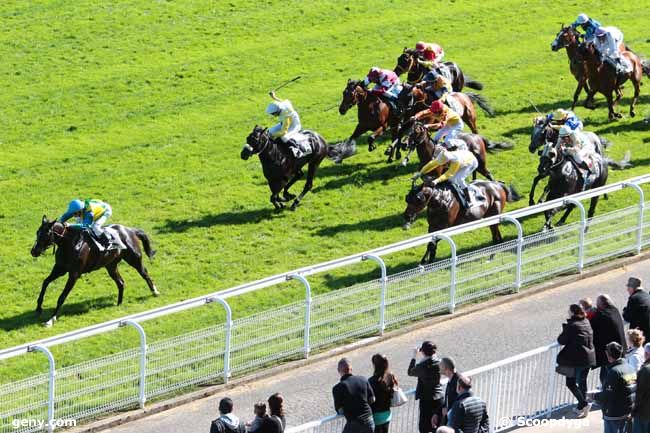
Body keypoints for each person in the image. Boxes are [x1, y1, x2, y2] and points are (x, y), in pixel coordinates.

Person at [556, 304, 596, 418]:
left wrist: (565, 329)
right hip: (589, 357)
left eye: (569, 311)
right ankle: (581, 406)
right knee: (582, 382)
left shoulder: (572, 325)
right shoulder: (586, 321)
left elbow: (561, 340)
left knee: (570, 383)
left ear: (573, 312)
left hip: (576, 359)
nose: (568, 312)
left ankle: (583, 404)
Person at [411, 145, 478, 210]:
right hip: (464, 157)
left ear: (448, 161)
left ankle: (469, 199)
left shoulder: (456, 162)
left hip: (471, 162)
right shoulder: (443, 156)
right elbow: (431, 164)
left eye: (444, 164)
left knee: (458, 179)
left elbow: (448, 174)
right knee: (452, 180)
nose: (443, 165)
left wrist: (436, 181)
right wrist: (420, 173)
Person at [590, 342, 637, 433]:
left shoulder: (614, 372)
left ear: (609, 355)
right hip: (628, 410)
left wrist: (593, 396)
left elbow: (607, 395)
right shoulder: (630, 368)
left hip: (614, 413)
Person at [590, 295, 628, 386]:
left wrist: (591, 313)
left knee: (605, 377)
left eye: (597, 304)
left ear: (601, 305)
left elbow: (590, 326)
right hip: (620, 350)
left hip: (610, 353)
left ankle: (606, 394)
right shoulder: (615, 310)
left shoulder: (601, 315)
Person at [408, 341, 445, 433]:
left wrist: (414, 356)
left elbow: (410, 372)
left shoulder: (422, 366)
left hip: (426, 399)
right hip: (439, 397)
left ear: (423, 352)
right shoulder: (439, 362)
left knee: (424, 427)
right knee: (438, 425)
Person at [333, 358, 375, 433]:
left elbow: (340, 410)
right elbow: (373, 399)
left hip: (354, 423)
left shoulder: (337, 388)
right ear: (351, 368)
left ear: (338, 370)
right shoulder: (363, 379)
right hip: (369, 421)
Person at [266, 91, 310, 159]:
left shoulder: (286, 115)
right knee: (269, 131)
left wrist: (273, 135)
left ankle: (298, 150)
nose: (273, 115)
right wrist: (274, 97)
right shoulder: (282, 106)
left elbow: (284, 131)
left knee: (285, 137)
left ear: (278, 111)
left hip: (294, 125)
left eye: (273, 113)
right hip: (283, 123)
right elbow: (280, 101)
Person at [557, 125, 597, 191]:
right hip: (572, 146)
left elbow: (576, 149)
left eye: (564, 138)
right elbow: (556, 147)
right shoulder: (561, 137)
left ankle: (588, 173)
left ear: (569, 135)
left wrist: (566, 149)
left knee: (578, 156)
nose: (563, 139)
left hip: (584, 145)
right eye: (562, 138)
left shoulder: (574, 137)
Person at [368, 354, 398, 433]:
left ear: (374, 365)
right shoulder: (390, 376)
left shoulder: (371, 381)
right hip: (387, 414)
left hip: (376, 417)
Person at [632, 343, 650, 433]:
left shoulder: (645, 370)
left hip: (643, 412)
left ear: (647, 354)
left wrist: (633, 409)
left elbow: (639, 393)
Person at [440, 357, 459, 425]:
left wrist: (448, 410)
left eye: (441, 366)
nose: (439, 367)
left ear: (447, 369)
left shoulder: (458, 381)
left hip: (455, 420)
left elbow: (460, 401)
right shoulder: (451, 379)